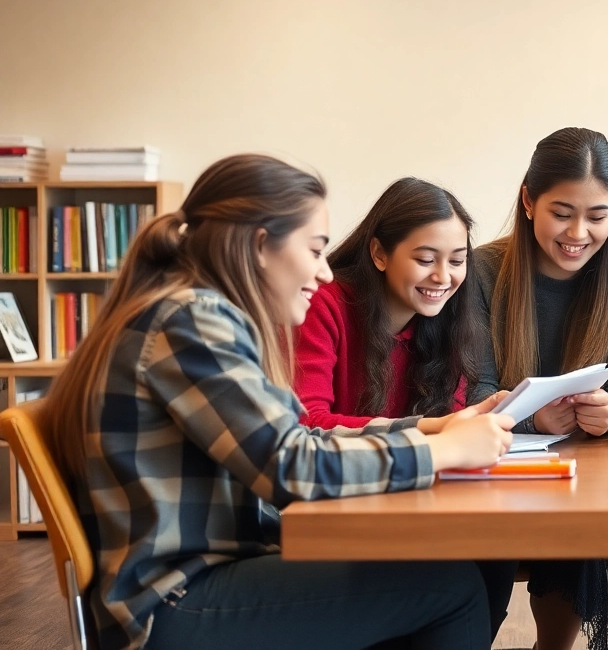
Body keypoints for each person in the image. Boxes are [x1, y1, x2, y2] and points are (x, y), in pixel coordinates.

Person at [42, 154, 514, 650]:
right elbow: (291, 467)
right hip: (174, 602)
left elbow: (297, 439)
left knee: (435, 577)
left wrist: (430, 429)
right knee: (449, 587)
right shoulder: (193, 322)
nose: (325, 274)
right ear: (261, 245)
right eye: (314, 251)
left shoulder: (195, 313)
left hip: (199, 577)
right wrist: (443, 452)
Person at [292, 176, 517, 637]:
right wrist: (439, 430)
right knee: (456, 580)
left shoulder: (449, 321)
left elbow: (447, 420)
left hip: (411, 495)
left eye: (457, 261)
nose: (443, 278)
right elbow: (307, 423)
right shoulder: (326, 306)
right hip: (339, 500)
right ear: (378, 254)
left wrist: (460, 427)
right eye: (424, 259)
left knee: (494, 552)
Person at [470, 127, 608, 650]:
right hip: (491, 468)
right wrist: (534, 419)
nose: (578, 232)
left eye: (597, 216)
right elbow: (473, 389)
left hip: (580, 474)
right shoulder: (482, 271)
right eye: (562, 212)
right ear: (528, 201)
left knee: (577, 518)